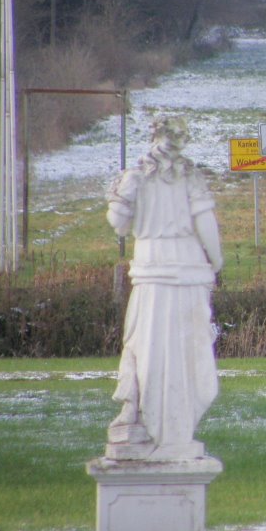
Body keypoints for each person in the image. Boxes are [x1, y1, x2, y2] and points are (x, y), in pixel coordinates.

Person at [105, 116, 223, 460]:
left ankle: (148, 420)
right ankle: (172, 428)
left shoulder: (137, 176)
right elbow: (205, 222)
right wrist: (215, 261)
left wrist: (127, 199)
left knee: (147, 344)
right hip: (184, 269)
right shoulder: (188, 174)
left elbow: (119, 224)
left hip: (153, 270)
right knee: (185, 348)